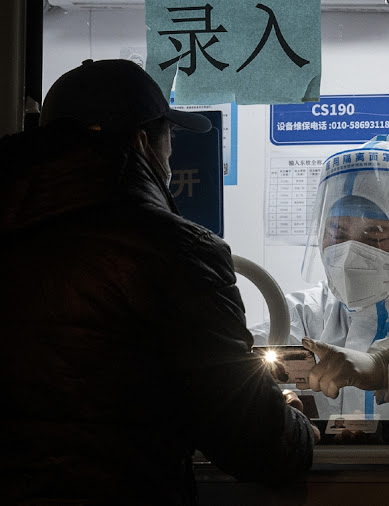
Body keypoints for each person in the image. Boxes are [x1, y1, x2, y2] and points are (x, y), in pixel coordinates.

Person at [0, 59, 316, 505]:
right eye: (170, 144)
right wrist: (293, 421)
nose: (171, 160)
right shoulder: (176, 252)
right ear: (143, 141)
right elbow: (254, 443)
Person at [249, 134, 389, 420]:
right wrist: (271, 391)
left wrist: (381, 366)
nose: (350, 252)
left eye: (375, 233)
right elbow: (246, 355)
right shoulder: (310, 313)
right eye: (337, 233)